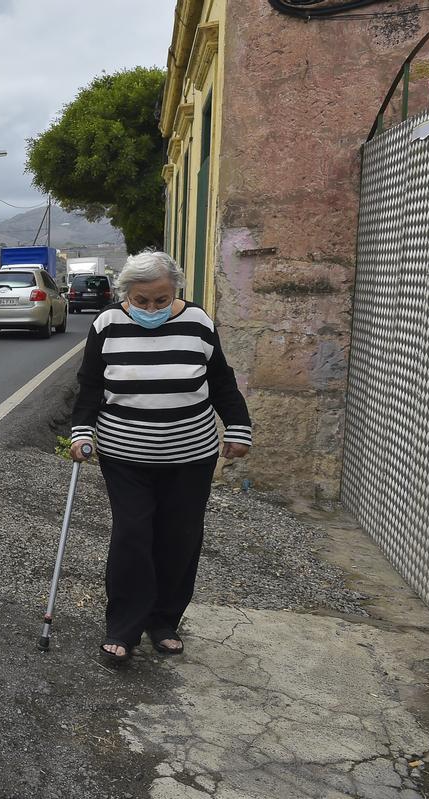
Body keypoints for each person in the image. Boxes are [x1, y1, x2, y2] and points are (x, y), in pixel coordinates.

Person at [67, 250, 251, 663]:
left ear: (175, 291)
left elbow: (221, 381)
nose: (151, 309)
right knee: (132, 536)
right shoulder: (107, 324)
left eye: (161, 300)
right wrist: (81, 432)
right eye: (141, 300)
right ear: (125, 294)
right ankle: (124, 627)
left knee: (179, 538)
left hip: (191, 454)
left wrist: (239, 427)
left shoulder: (199, 322)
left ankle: (164, 620)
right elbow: (90, 386)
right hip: (125, 453)